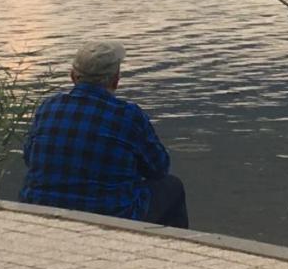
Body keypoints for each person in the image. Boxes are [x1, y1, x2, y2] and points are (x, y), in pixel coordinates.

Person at [21, 39, 188, 228]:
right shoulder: (128, 115)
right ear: (116, 79)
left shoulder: (48, 107)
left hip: (40, 208)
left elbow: (29, 158)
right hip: (109, 214)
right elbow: (159, 167)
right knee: (172, 187)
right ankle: (171, 251)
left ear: (73, 77)